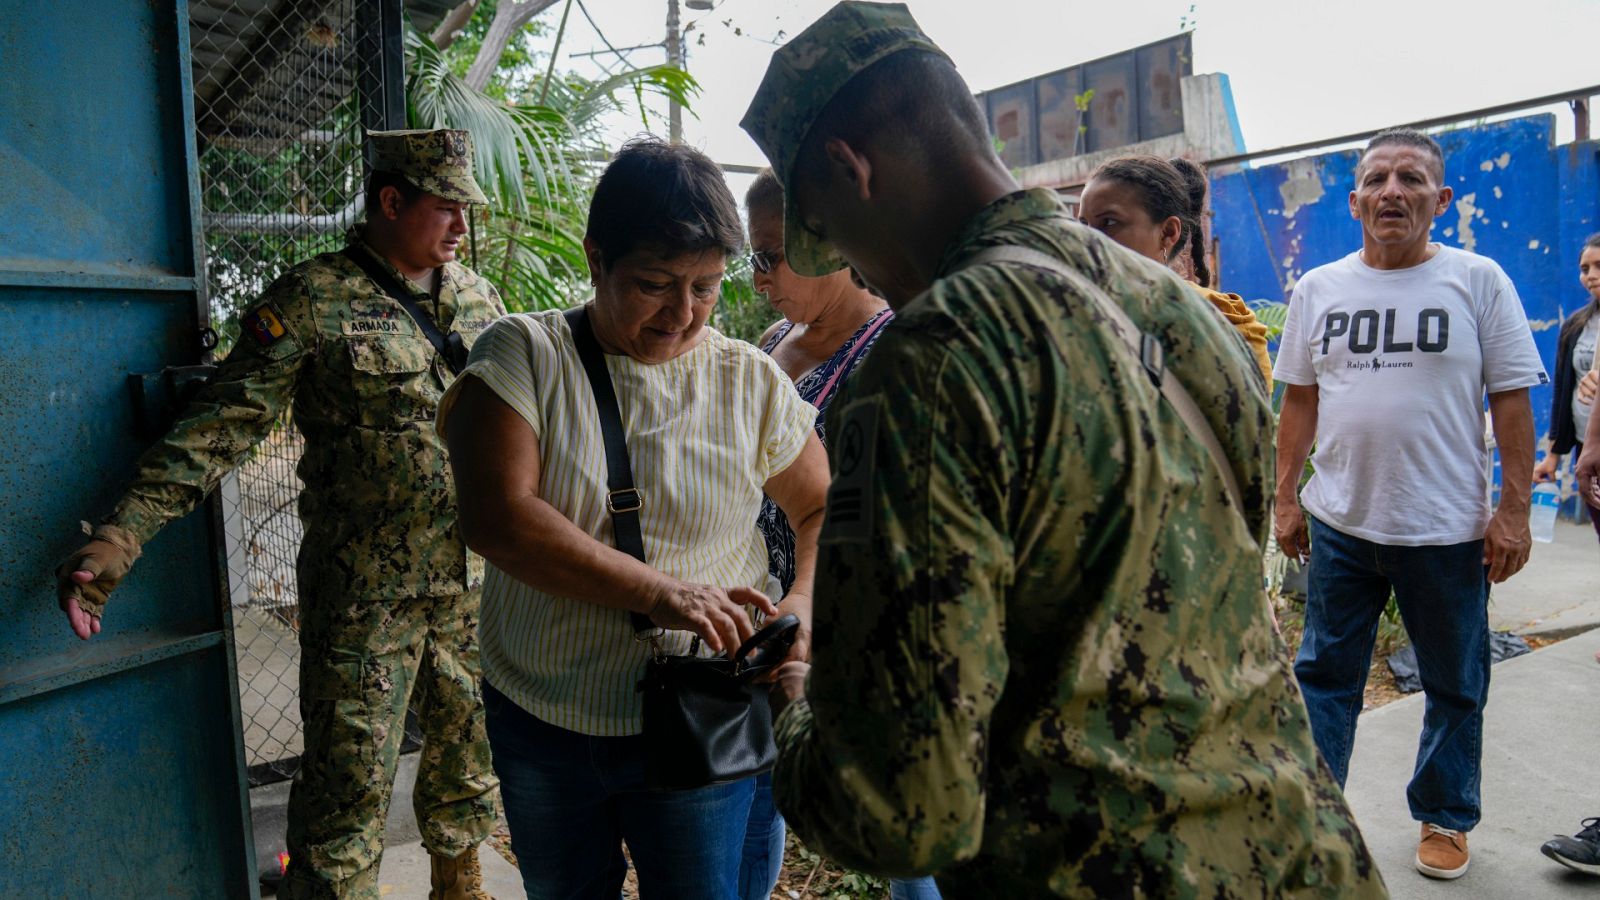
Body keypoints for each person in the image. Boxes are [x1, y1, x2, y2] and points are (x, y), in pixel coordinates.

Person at [738, 3, 1384, 896]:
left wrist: (797, 700)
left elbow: (901, 810)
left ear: (851, 170)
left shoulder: (935, 356)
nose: (845, 263)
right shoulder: (1187, 317)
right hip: (1301, 855)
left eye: (824, 227)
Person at [54, 129, 505, 899]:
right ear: (391, 202)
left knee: (469, 769)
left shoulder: (475, 296)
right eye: (446, 205)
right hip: (365, 599)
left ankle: (460, 886)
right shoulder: (311, 299)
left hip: (468, 589)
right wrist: (121, 538)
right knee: (347, 793)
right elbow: (219, 428)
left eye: (466, 206)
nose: (462, 223)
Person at [437, 138, 830, 900]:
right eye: (653, 284)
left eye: (707, 287)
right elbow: (498, 518)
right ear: (595, 258)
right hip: (544, 716)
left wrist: (802, 604)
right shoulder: (526, 353)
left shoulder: (745, 377)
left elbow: (822, 505)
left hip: (704, 715)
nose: (682, 313)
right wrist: (663, 592)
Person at [1274, 127, 1546, 881]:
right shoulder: (1319, 289)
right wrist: (1286, 499)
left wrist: (1513, 511)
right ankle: (1318, 818)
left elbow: (1512, 404)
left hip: (1448, 530)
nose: (1393, 191)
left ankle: (1445, 816)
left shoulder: (1478, 280)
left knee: (1456, 682)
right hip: (1340, 524)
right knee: (1325, 676)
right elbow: (1299, 400)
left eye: (1411, 179)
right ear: (1356, 199)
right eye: (1378, 179)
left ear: (1441, 199)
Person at [737, 170, 940, 900]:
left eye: (770, 255)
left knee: (897, 827)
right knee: (758, 794)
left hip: (858, 632)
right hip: (769, 617)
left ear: (828, 244)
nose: (759, 279)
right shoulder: (771, 342)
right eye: (751, 258)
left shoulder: (893, 350)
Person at [1078, 154, 1274, 387]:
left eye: (1109, 223)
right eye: (1083, 225)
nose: (1088, 238)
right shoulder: (1071, 315)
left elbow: (1249, 420)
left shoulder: (1224, 321)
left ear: (1168, 232)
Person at [1532, 233, 1600, 544]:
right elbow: (1563, 394)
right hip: (1589, 453)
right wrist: (1553, 457)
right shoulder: (1576, 326)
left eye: (1599, 266)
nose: (1591, 275)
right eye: (1585, 268)